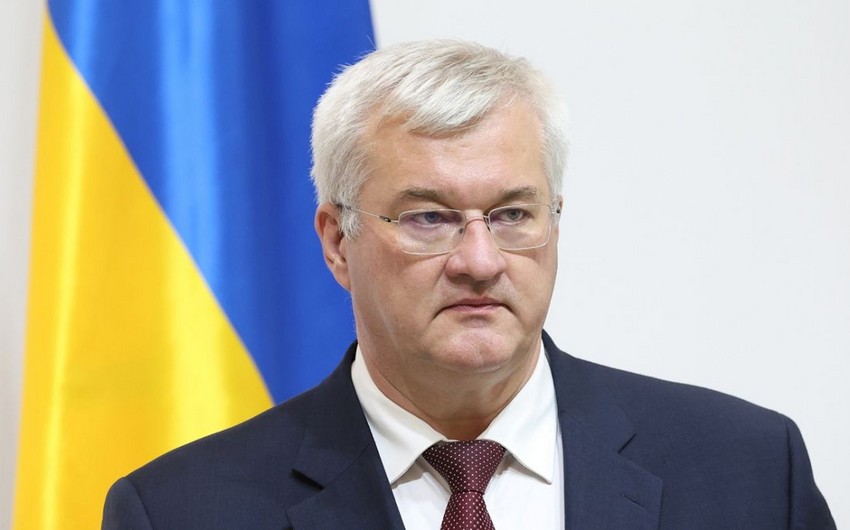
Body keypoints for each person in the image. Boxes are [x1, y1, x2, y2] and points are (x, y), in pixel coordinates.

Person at [102, 39, 835, 529]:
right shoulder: (181, 512)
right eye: (429, 218)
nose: (480, 261)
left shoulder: (748, 473)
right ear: (337, 242)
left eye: (513, 214)